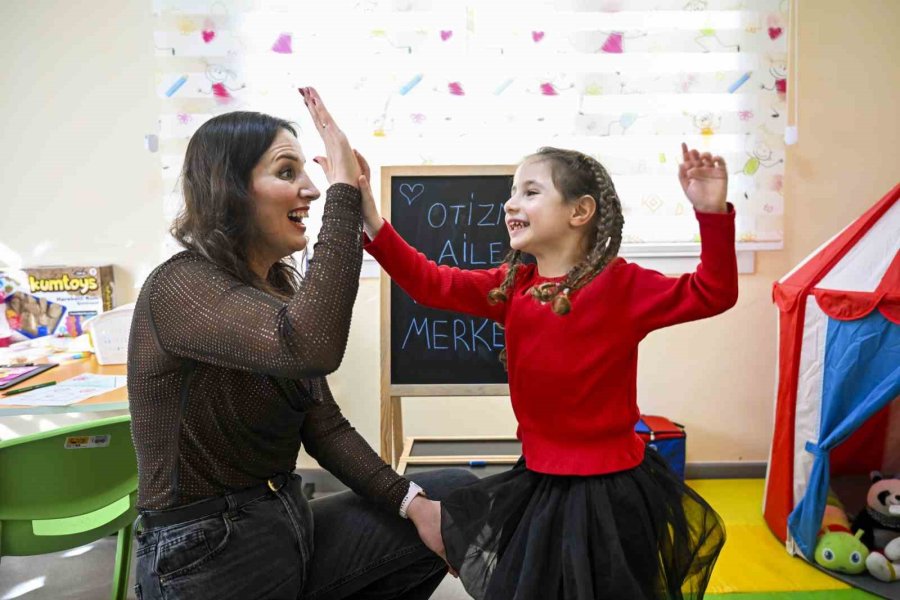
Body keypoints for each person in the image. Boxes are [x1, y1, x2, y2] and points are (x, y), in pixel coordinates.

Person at [358, 124, 737, 597]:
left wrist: (712, 214)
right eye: (512, 193)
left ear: (580, 211)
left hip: (611, 491)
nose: (510, 204)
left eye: (530, 192)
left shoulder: (622, 285)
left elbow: (713, 292)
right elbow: (430, 283)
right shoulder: (511, 287)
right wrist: (372, 218)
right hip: (539, 483)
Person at [128, 87, 475, 600]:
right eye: (287, 172)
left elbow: (324, 425)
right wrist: (345, 195)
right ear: (231, 189)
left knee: (453, 496)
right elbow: (309, 346)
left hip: (283, 521)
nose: (311, 190)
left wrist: (413, 505)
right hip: (205, 553)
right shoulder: (180, 288)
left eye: (309, 174)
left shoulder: (277, 289)